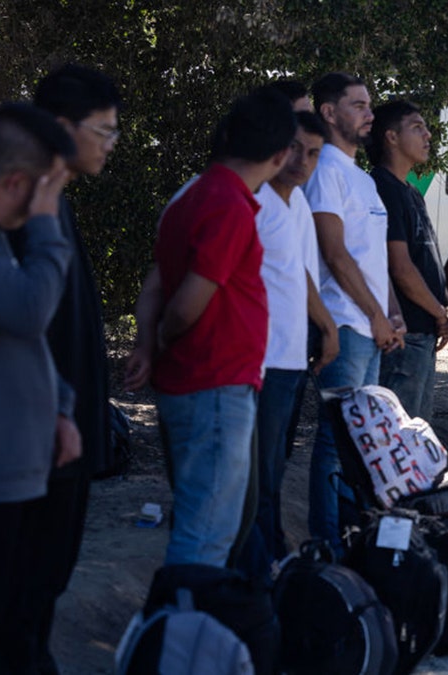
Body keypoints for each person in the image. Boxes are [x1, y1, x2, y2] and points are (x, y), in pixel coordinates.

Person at [150, 87, 296, 566]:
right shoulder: (229, 206)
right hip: (212, 383)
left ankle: (186, 625)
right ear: (279, 156)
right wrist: (163, 338)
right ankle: (182, 633)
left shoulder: (191, 194)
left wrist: (149, 342)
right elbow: (189, 300)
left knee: (206, 522)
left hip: (202, 383)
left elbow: (154, 284)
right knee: (207, 533)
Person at [0, 102, 79, 672]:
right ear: (17, 183)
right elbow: (28, 309)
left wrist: (58, 407)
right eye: (49, 192)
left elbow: (17, 341)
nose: (52, 207)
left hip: (12, 470)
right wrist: (45, 224)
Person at [24, 63, 121, 674]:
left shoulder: (53, 198)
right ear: (63, 126)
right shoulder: (23, 203)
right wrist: (58, 413)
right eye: (104, 130)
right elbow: (25, 325)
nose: (111, 144)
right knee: (22, 590)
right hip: (38, 443)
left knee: (44, 588)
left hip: (67, 438)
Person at [304, 72, 403, 552]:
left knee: (361, 443)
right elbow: (334, 252)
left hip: (371, 326)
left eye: (369, 104)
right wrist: (375, 315)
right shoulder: (324, 169)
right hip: (345, 323)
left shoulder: (362, 178)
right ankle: (327, 545)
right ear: (328, 112)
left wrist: (391, 312)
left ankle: (355, 537)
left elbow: (372, 257)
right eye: (358, 104)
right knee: (335, 441)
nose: (369, 113)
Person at [240, 111, 339, 579]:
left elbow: (300, 276)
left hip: (287, 356)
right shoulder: (253, 200)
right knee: (254, 475)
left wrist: (326, 326)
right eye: (296, 149)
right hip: (252, 359)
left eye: (315, 153)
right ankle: (257, 569)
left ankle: (272, 556)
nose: (303, 161)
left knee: (274, 467)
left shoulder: (295, 202)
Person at [372, 99, 448, 420]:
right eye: (417, 127)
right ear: (391, 137)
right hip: (404, 333)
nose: (428, 136)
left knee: (418, 432)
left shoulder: (411, 192)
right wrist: (440, 312)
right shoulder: (383, 188)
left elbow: (428, 258)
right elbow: (400, 267)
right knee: (398, 433)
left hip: (426, 330)